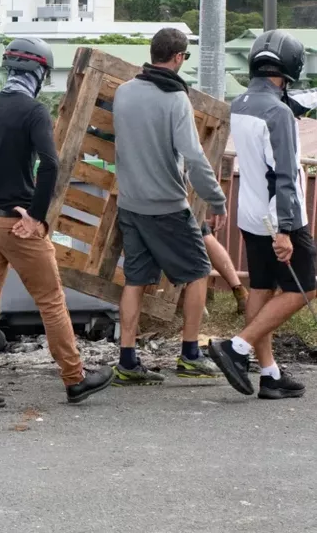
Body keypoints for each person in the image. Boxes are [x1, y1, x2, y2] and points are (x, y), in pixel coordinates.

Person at [0, 38, 113, 410]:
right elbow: (50, 164)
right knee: (51, 301)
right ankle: (75, 378)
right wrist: (36, 216)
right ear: (39, 72)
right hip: (17, 225)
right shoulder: (33, 112)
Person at [111, 27, 226, 386]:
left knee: (135, 280)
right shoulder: (176, 99)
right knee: (198, 271)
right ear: (178, 57)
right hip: (166, 205)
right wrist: (216, 199)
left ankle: (127, 361)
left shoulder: (124, 92)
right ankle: (190, 354)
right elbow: (193, 156)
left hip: (130, 203)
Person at [210, 30, 315, 400]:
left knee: (261, 287)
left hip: (250, 214)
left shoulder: (239, 104)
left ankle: (269, 373)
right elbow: (284, 174)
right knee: (307, 286)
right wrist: (286, 230)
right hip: (281, 217)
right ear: (290, 66)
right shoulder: (278, 112)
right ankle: (237, 348)